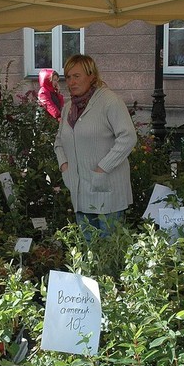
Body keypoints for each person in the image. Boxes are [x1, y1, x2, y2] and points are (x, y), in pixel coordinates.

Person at [54, 54, 137, 238]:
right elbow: (59, 141)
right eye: (68, 77)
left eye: (77, 76)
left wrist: (102, 168)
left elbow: (128, 137)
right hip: (79, 191)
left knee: (108, 254)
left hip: (107, 190)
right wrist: (64, 167)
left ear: (92, 76)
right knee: (87, 253)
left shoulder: (109, 101)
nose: (71, 82)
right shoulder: (68, 108)